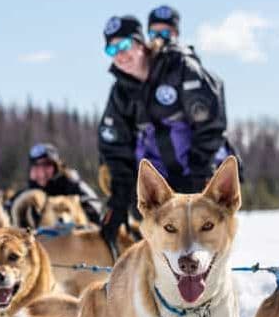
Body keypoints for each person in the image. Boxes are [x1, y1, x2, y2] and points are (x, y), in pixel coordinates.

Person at [97, 14, 236, 259]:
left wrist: (197, 173)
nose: (119, 54)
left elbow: (211, 124)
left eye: (124, 45)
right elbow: (114, 148)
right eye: (111, 48)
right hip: (159, 187)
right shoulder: (121, 93)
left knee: (199, 252)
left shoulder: (179, 67)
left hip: (198, 175)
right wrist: (119, 200)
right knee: (161, 256)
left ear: (141, 43)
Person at [12, 142, 102, 225]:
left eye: (47, 165)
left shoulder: (71, 184)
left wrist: (74, 212)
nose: (42, 172)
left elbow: (95, 207)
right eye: (37, 166)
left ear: (56, 167)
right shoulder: (29, 194)